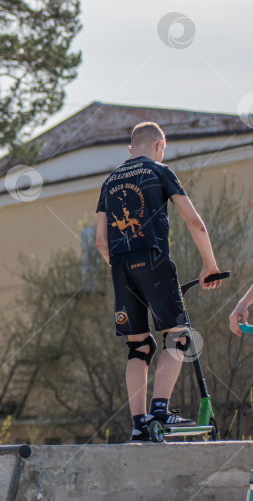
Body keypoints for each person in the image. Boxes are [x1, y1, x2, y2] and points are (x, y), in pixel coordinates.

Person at [95, 121, 222, 442]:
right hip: (153, 258)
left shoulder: (108, 182)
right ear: (159, 146)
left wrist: (125, 268)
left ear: (130, 148)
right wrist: (210, 265)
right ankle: (161, 410)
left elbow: (100, 241)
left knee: (139, 346)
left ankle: (139, 423)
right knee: (178, 338)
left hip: (121, 265)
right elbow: (195, 222)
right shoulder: (160, 170)